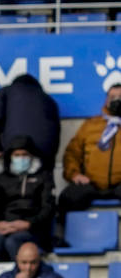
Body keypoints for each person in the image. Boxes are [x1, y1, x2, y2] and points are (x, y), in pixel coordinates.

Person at [0, 136, 55, 260]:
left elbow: (48, 208)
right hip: (5, 227)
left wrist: (29, 223)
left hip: (33, 229)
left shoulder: (44, 178)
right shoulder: (1, 179)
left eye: (24, 155)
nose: (21, 158)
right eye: (17, 155)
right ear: (10, 157)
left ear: (32, 156)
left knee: (13, 242)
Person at [58, 83, 121, 220]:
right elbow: (72, 154)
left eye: (120, 97)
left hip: (119, 185)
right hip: (91, 184)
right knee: (68, 198)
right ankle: (65, 239)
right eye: (112, 97)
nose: (116, 100)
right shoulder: (91, 125)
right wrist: (74, 174)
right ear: (106, 100)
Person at [0, 72, 61, 171]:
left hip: (13, 146)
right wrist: (50, 163)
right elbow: (55, 130)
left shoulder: (6, 92)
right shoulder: (48, 99)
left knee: (10, 181)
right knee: (40, 181)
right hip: (43, 150)